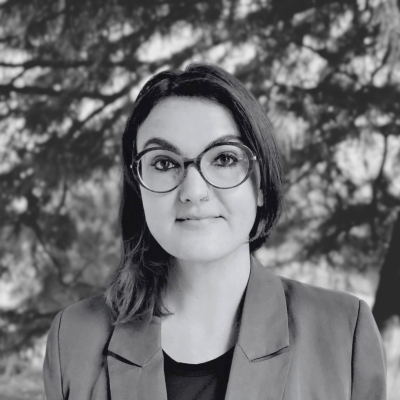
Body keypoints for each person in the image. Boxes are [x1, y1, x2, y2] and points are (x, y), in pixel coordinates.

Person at [43, 63, 387, 400]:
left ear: (261, 185)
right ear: (139, 188)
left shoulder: (344, 332)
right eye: (164, 163)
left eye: (224, 159)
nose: (193, 191)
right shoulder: (74, 338)